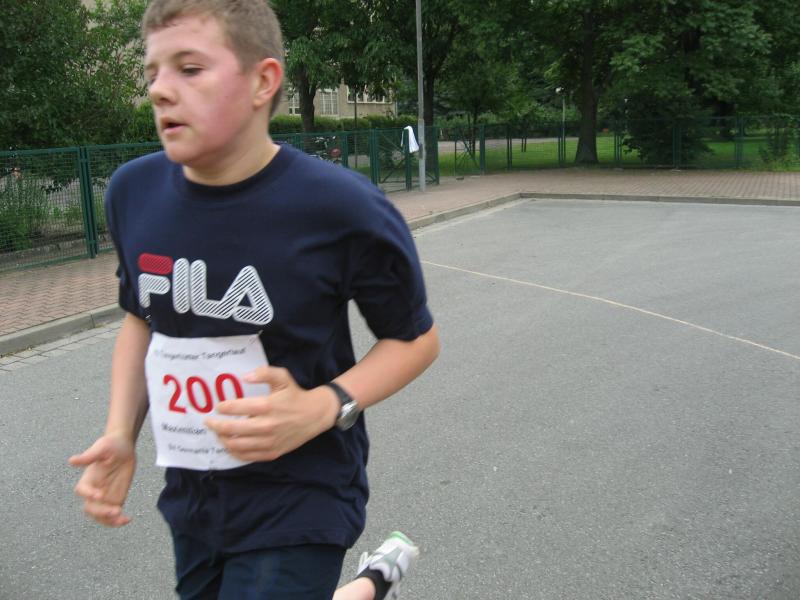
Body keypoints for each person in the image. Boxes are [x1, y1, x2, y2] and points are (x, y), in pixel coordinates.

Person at [68, 1, 439, 599]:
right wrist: (120, 432)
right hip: (195, 496)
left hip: (303, 493)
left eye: (190, 68)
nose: (160, 89)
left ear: (263, 82)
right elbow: (141, 319)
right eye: (153, 72)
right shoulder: (133, 192)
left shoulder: (341, 207)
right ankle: (374, 580)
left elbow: (416, 340)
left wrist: (324, 405)